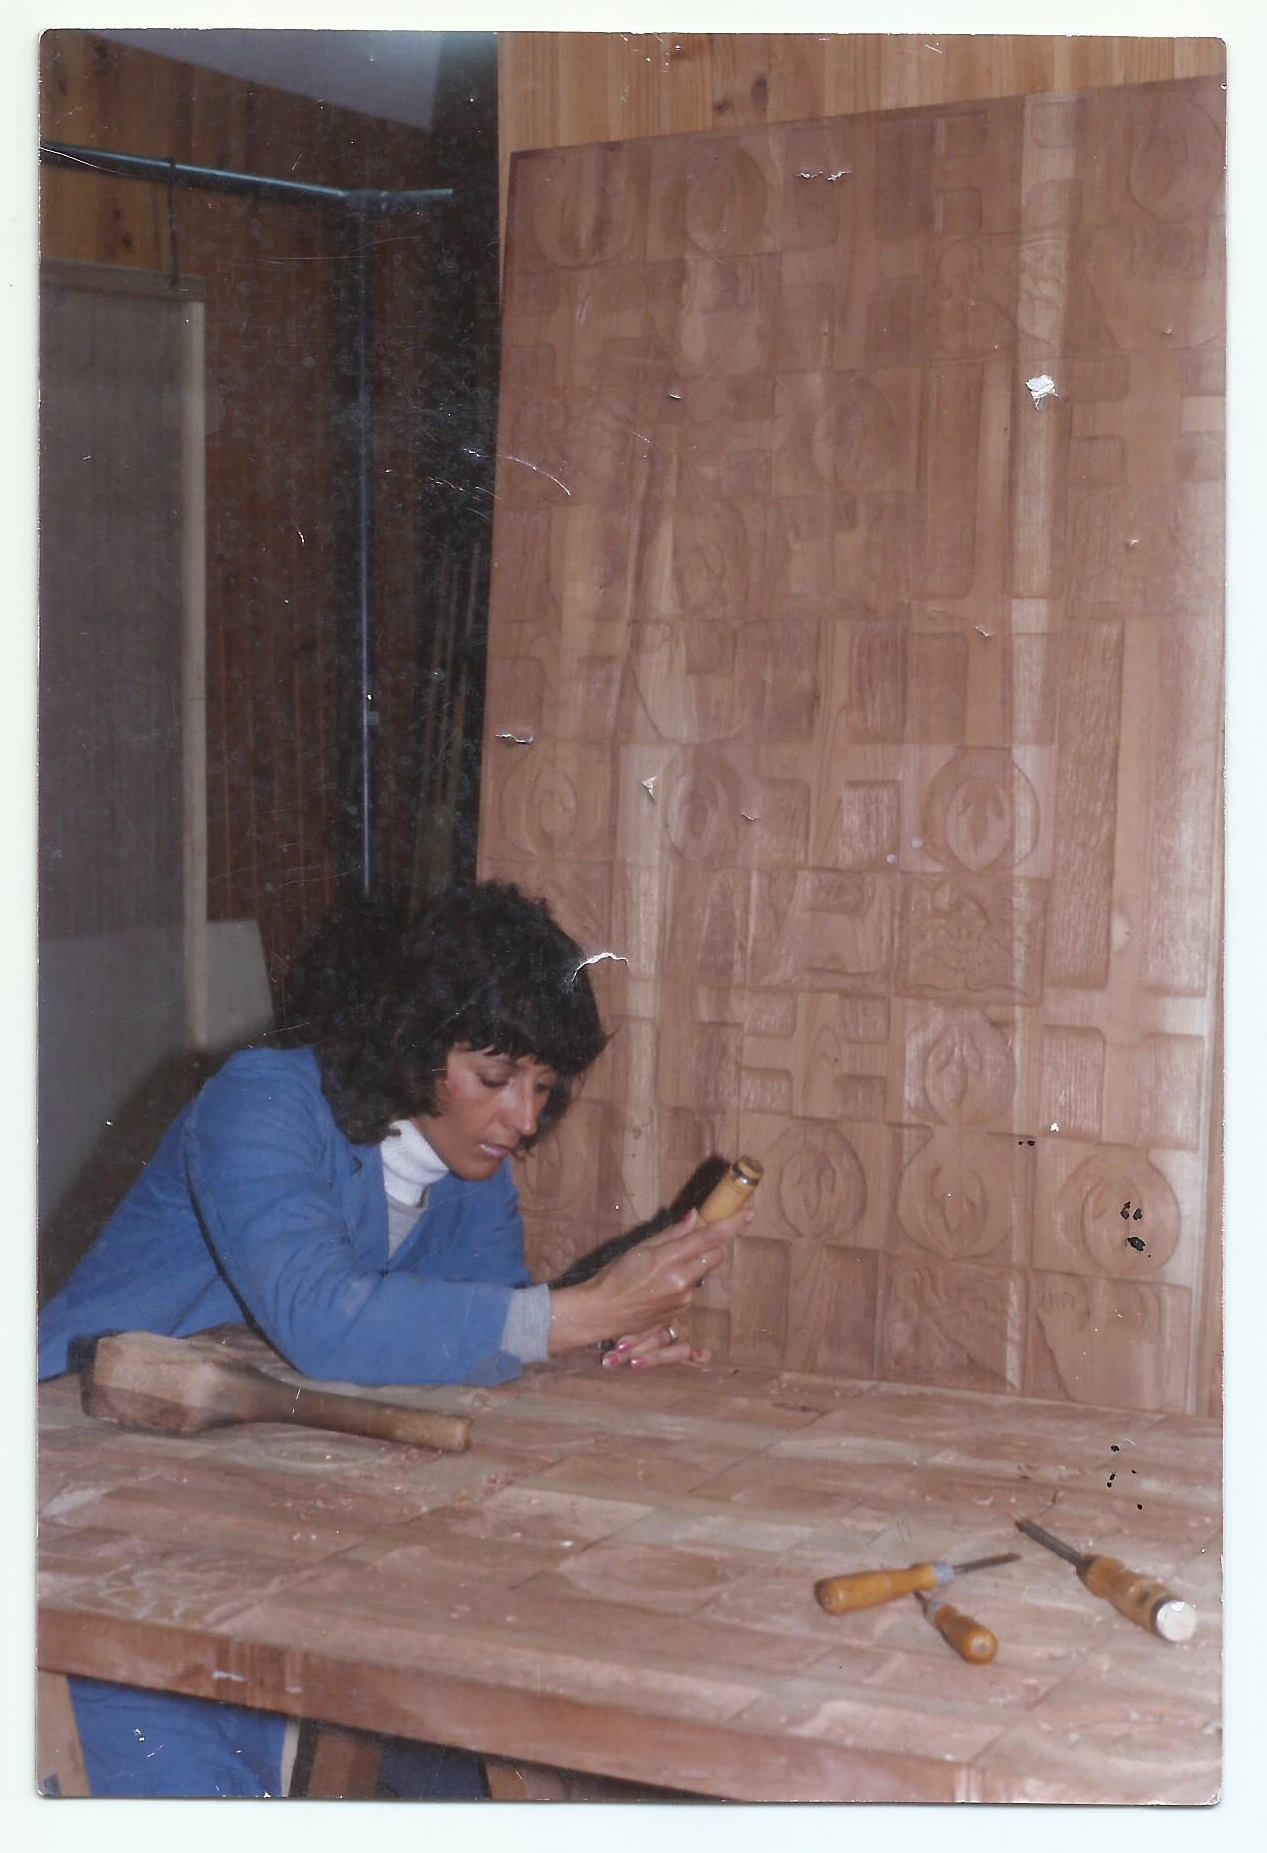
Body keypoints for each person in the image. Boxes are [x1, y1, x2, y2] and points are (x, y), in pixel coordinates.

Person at [38, 880, 752, 1797]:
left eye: (541, 1087)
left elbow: (475, 1346)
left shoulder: (470, 1176)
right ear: (416, 1045)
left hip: (236, 1512)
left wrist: (599, 1338)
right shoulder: (261, 1103)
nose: (523, 1119)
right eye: (495, 1079)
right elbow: (327, 1320)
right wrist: (573, 1312)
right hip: (79, 1502)